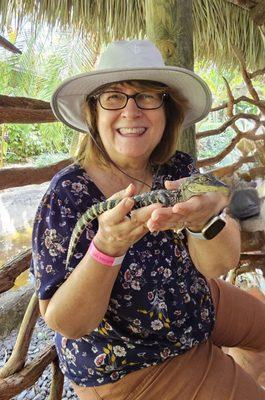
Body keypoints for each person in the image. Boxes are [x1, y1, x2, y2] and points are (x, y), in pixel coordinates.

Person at [30, 40, 265, 399]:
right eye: (113, 96)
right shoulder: (66, 196)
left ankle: (232, 371)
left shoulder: (177, 168)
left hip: (193, 302)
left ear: (166, 110)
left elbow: (217, 264)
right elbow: (66, 322)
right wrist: (108, 246)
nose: (131, 110)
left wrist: (205, 218)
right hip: (134, 360)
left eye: (147, 96)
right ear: (93, 112)